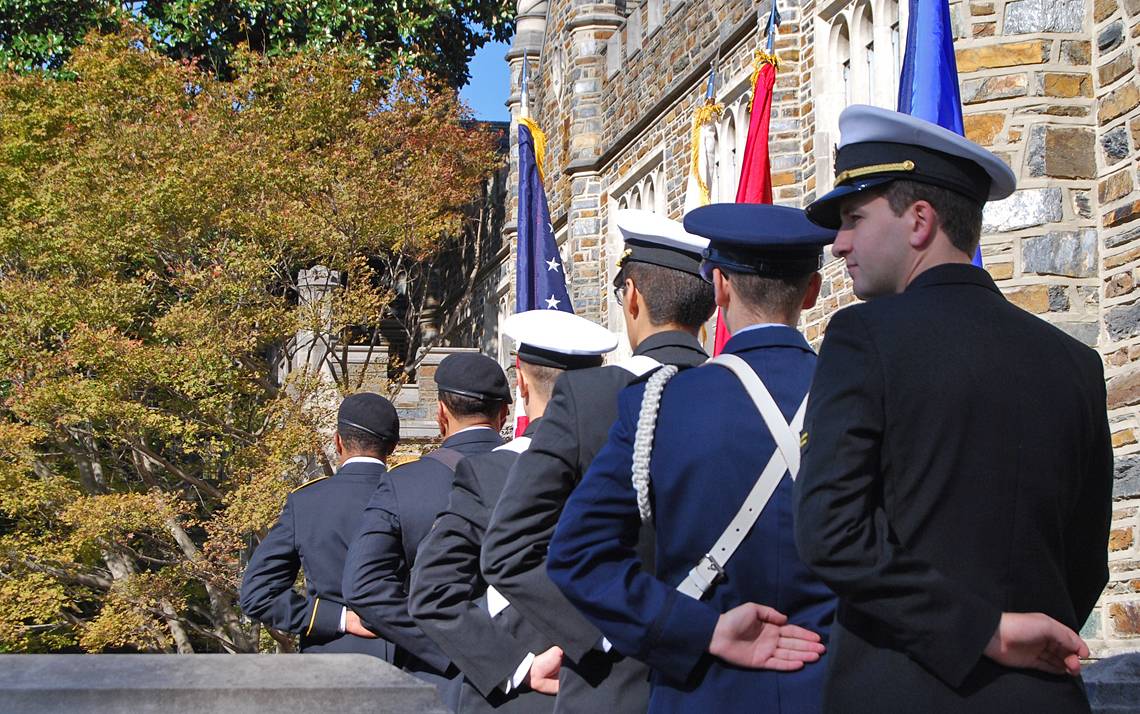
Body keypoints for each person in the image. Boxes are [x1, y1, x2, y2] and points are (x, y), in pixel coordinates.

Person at [794, 104, 1113, 713]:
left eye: (855, 219)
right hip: (1041, 694)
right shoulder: (1074, 362)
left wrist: (986, 632)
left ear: (919, 221)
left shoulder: (865, 337)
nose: (838, 245)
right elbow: (1082, 562)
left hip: (906, 690)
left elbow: (830, 533)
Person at [547, 203, 836, 713]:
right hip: (834, 688)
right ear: (811, 292)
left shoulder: (661, 404)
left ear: (719, 286)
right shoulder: (861, 397)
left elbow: (576, 555)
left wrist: (701, 631)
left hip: (704, 690)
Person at [481, 210, 717, 713]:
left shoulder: (588, 398)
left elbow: (507, 548)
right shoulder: (745, 393)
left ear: (631, 297)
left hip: (615, 682)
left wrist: (606, 630)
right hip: (730, 671)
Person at [409, 309, 619, 713]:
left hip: (526, 697)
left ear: (520, 381)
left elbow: (432, 591)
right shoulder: (644, 461)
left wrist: (518, 666)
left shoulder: (491, 471)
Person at [343, 353, 511, 708]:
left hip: (439, 680)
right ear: (504, 415)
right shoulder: (541, 474)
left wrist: (448, 641)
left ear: (440, 414)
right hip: (530, 670)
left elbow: (363, 585)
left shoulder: (403, 484)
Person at [239, 392, 399, 659]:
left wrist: (338, 618)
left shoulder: (307, 502)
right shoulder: (416, 494)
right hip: (411, 660)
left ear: (337, 441)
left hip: (332, 661)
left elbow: (257, 593)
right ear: (393, 446)